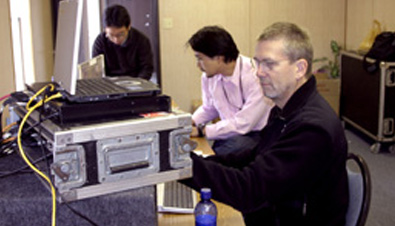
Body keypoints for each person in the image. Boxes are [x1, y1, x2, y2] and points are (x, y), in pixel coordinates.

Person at [182, 22, 349, 226]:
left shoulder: (312, 129)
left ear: (300, 69)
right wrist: (194, 162)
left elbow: (250, 190)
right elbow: (254, 157)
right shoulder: (285, 110)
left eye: (269, 64)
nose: (259, 72)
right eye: (257, 63)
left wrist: (181, 166)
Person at [188, 26, 273, 155]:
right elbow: (209, 108)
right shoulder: (209, 76)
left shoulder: (255, 75)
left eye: (200, 58)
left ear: (219, 58)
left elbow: (245, 123)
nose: (198, 65)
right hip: (231, 132)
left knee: (229, 149)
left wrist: (202, 131)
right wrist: (189, 123)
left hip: (256, 134)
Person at [92, 4, 154, 80]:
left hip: (135, 82)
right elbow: (97, 70)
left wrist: (138, 85)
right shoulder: (100, 41)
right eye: (111, 35)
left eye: (120, 35)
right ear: (105, 30)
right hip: (110, 84)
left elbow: (147, 68)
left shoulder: (141, 40)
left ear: (129, 26)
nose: (116, 40)